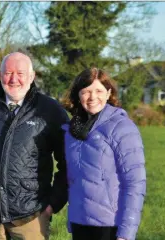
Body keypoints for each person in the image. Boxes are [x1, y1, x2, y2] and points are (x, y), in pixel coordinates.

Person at [0, 52, 69, 240]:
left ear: (31, 76)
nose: (14, 79)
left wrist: (54, 202)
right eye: (8, 73)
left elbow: (68, 161)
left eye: (20, 73)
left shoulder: (49, 110)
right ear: (0, 75)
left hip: (31, 215)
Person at [61, 67, 146, 240]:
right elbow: (72, 179)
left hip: (110, 225)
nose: (93, 97)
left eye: (99, 91)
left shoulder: (123, 128)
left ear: (108, 93)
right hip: (80, 223)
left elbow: (135, 183)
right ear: (78, 95)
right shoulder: (72, 131)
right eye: (86, 91)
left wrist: (126, 233)